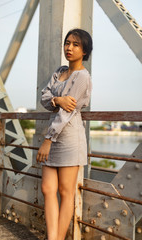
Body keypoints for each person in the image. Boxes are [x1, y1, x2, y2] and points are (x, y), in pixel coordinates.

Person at [36, 28, 93, 240]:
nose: (69, 48)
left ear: (85, 51)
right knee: (47, 188)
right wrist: (57, 100)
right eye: (67, 43)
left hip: (68, 138)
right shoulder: (60, 71)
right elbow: (44, 98)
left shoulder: (82, 76)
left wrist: (48, 140)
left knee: (65, 192)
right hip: (54, 135)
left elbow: (67, 114)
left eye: (76, 44)